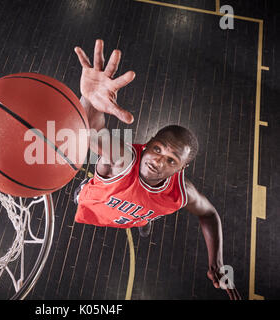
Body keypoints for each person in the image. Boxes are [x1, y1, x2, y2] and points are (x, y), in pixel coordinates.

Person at [73, 39, 241, 300]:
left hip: (134, 213)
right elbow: (92, 134)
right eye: (158, 149)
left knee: (143, 216)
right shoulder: (123, 159)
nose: (159, 161)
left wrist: (217, 262)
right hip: (97, 206)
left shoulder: (182, 192)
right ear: (148, 143)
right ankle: (88, 194)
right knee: (83, 196)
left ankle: (143, 220)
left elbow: (209, 215)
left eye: (172, 161)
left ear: (182, 169)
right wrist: (90, 100)